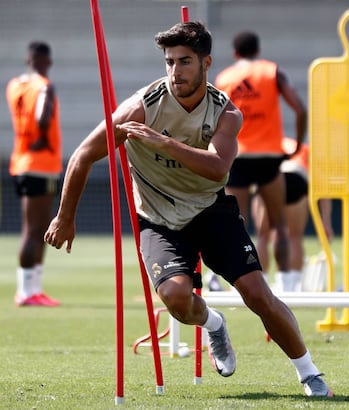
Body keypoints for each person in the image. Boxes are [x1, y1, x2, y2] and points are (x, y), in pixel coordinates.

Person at [44, 22, 332, 396]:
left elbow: (217, 167)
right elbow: (83, 154)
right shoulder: (140, 108)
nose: (175, 72)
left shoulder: (226, 113)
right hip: (158, 220)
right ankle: (214, 324)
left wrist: (162, 143)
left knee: (258, 293)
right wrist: (65, 216)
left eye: (185, 62)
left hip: (211, 211)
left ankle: (309, 373)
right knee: (178, 299)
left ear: (206, 63)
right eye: (169, 62)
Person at [215, 31, 307, 292]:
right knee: (279, 223)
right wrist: (297, 145)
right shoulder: (272, 72)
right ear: (258, 49)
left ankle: (240, 283)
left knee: (237, 224)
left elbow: (214, 118)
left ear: (235, 53)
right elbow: (300, 109)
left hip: (238, 155)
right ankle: (287, 284)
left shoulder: (225, 78)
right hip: (269, 156)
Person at [6, 41, 62, 307]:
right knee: (35, 229)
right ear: (46, 61)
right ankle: (27, 292)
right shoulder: (44, 86)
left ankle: (33, 289)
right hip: (40, 162)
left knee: (34, 228)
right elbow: (42, 114)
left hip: (20, 160)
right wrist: (43, 138)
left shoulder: (15, 85)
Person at [250, 137, 334, 291]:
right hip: (296, 177)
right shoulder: (303, 148)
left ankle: (261, 284)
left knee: (263, 236)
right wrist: (326, 222)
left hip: (271, 177)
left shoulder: (267, 142)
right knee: (294, 236)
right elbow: (323, 188)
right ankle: (290, 286)